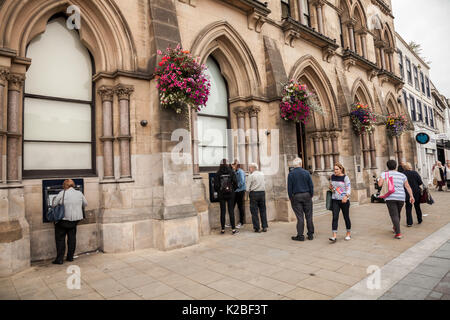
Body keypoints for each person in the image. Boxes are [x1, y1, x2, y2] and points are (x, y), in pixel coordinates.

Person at [52, 179, 87, 264]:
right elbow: (85, 204)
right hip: (74, 221)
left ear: (65, 185)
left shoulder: (62, 193)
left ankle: (59, 259)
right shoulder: (79, 193)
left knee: (60, 239)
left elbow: (54, 204)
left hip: (63, 220)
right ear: (73, 185)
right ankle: (70, 257)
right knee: (72, 238)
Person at [378, 160, 415, 239]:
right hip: (401, 197)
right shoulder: (402, 175)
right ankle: (395, 227)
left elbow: (379, 184)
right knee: (397, 214)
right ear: (396, 166)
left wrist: (381, 178)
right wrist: (411, 196)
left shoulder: (384, 174)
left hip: (390, 197)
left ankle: (398, 233)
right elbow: (407, 186)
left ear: (387, 166)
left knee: (394, 215)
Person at [288, 157, 314, 241]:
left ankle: (300, 235)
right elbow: (311, 185)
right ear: (301, 164)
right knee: (309, 216)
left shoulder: (291, 174)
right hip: (307, 195)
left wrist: (291, 198)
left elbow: (289, 188)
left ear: (294, 165)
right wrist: (311, 194)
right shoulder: (306, 173)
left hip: (296, 196)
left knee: (300, 217)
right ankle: (310, 235)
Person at [214, 159, 239, 235]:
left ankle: (222, 229)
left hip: (221, 195)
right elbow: (236, 183)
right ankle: (233, 229)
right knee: (231, 211)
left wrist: (219, 191)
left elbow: (216, 186)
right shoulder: (231, 172)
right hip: (230, 194)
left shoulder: (218, 173)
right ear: (228, 164)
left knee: (223, 212)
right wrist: (232, 190)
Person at [328, 163, 352, 242]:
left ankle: (348, 233)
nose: (335, 171)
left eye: (337, 169)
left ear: (341, 169)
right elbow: (332, 187)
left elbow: (348, 188)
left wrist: (346, 196)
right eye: (334, 169)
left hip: (344, 200)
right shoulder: (332, 176)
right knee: (335, 217)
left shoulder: (345, 177)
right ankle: (334, 236)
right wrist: (331, 188)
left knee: (346, 217)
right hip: (335, 199)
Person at [246, 163, 268, 233]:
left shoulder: (251, 176)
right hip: (262, 193)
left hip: (254, 194)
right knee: (263, 210)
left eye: (249, 168)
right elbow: (265, 183)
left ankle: (257, 228)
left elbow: (247, 188)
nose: (249, 169)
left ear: (252, 168)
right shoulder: (262, 174)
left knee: (254, 211)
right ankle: (264, 226)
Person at [232, 160, 246, 228]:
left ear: (236, 165)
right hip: (236, 191)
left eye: (233, 165)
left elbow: (242, 182)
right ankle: (232, 222)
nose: (232, 166)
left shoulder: (240, 172)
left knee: (240, 207)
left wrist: (235, 187)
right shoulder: (234, 171)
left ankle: (241, 222)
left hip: (240, 191)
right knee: (232, 206)